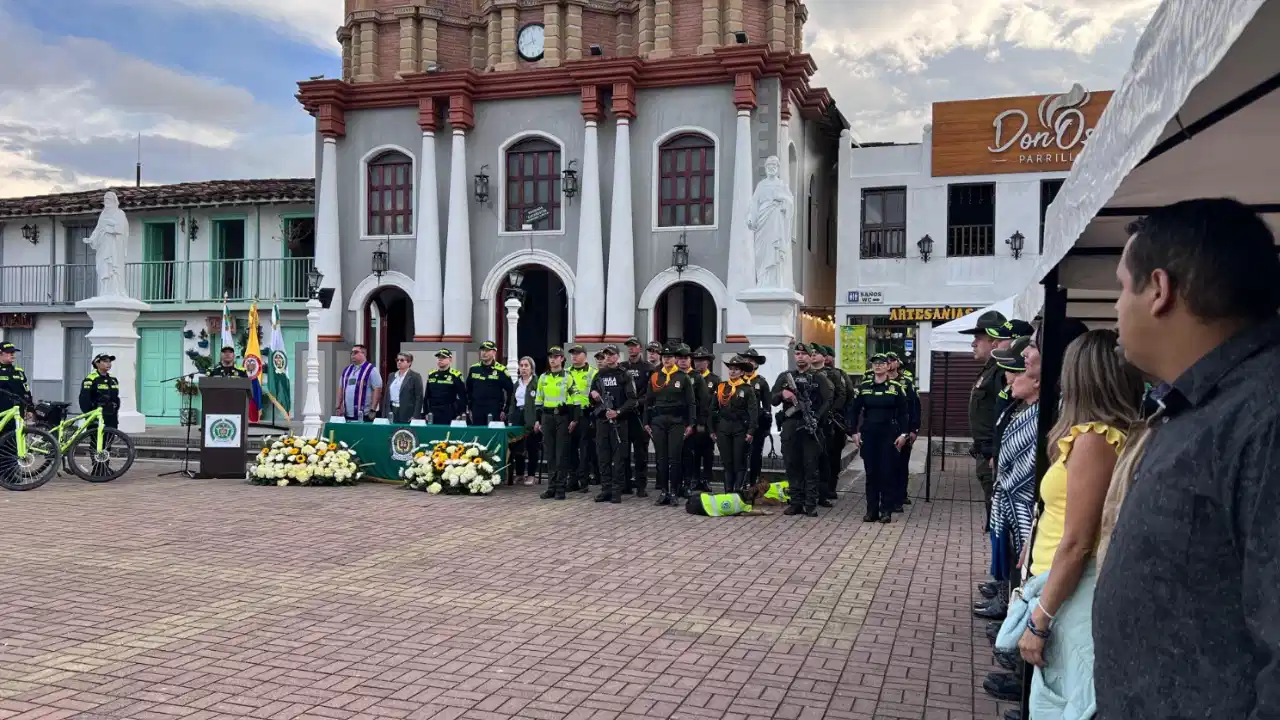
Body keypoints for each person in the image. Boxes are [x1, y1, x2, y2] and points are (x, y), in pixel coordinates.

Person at [1094, 198, 1280, 719]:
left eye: (1120, 287)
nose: (1116, 307)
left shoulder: (1263, 416)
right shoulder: (1200, 405)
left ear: (1160, 290)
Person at [1009, 330, 1142, 718]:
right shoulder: (1103, 436)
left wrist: (1040, 619)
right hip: (1062, 586)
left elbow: (1078, 543)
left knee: (1063, 702)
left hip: (1069, 593)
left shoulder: (1095, 440)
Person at [958, 311, 1011, 523]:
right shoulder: (990, 369)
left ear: (994, 341)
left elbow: (1006, 415)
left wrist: (994, 452)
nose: (973, 343)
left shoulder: (1002, 371)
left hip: (994, 455)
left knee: (998, 518)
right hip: (986, 452)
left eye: (978, 338)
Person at [771, 343, 833, 517]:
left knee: (810, 465)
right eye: (797, 354)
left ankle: (810, 503)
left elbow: (828, 400)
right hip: (790, 425)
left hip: (810, 426)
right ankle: (796, 502)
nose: (800, 357)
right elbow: (772, 399)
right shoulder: (785, 377)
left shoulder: (819, 378)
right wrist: (783, 394)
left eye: (803, 354)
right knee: (792, 464)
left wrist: (816, 418)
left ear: (810, 357)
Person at [848, 354, 909, 523]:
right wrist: (854, 432)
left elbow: (904, 413)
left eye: (882, 363)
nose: (878, 366)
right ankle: (871, 511)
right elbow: (854, 411)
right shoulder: (865, 387)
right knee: (871, 473)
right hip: (869, 434)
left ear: (888, 366)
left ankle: (886, 510)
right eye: (875, 363)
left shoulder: (896, 387)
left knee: (887, 473)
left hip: (889, 434)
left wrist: (904, 434)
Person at [645, 343, 695, 506]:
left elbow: (691, 403)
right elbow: (648, 401)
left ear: (675, 359)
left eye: (670, 357)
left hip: (676, 421)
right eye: (664, 357)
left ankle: (674, 491)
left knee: (675, 458)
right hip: (658, 421)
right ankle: (664, 491)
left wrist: (691, 424)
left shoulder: (682, 377)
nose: (667, 360)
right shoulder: (655, 376)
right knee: (661, 458)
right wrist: (646, 422)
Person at [588, 345, 638, 503]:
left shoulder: (624, 374)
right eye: (606, 355)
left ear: (617, 356)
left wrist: (618, 412)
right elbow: (591, 398)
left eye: (611, 354)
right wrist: (593, 395)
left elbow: (633, 400)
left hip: (619, 422)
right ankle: (606, 489)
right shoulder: (599, 375)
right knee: (603, 457)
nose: (608, 357)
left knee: (619, 458)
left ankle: (617, 490)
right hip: (602, 421)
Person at [710, 356, 759, 494]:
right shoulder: (721, 387)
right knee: (727, 462)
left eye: (736, 369)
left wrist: (751, 431)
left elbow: (753, 411)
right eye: (731, 369)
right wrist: (712, 429)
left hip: (740, 428)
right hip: (723, 428)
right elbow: (713, 409)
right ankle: (728, 491)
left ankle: (738, 491)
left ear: (742, 372)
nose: (732, 372)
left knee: (739, 461)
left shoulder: (747, 389)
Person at [535, 346, 575, 500]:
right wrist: (538, 420)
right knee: (550, 454)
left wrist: (573, 417)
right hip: (547, 417)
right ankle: (551, 487)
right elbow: (538, 399)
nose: (553, 359)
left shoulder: (567, 376)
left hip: (562, 417)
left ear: (562, 359)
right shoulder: (543, 377)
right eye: (551, 357)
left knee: (561, 454)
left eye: (556, 356)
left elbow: (576, 398)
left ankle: (560, 488)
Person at [810, 345, 847, 507]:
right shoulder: (805, 374)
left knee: (830, 457)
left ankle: (828, 489)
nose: (812, 356)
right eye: (811, 353)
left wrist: (832, 412)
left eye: (816, 353)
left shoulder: (835, 374)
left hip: (830, 422)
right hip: (811, 421)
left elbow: (844, 395)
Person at [618, 337, 654, 497]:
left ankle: (641, 486)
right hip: (624, 416)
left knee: (641, 454)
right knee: (623, 453)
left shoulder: (649, 368)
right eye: (629, 346)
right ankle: (626, 484)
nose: (631, 349)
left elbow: (652, 392)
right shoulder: (622, 367)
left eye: (634, 346)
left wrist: (638, 402)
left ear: (640, 348)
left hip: (640, 415)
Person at [883, 351, 919, 513]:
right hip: (884, 429)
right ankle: (887, 497)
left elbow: (915, 407)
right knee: (885, 465)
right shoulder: (879, 381)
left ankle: (899, 497)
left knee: (901, 465)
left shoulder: (906, 382)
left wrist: (914, 429)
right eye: (886, 361)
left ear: (898, 363)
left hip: (902, 429)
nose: (889, 363)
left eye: (892, 360)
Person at [685, 347, 719, 492]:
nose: (698, 363)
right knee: (693, 451)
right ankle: (694, 478)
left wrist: (707, 423)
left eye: (702, 360)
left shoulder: (715, 380)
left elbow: (714, 403)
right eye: (696, 360)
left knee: (708, 452)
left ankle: (706, 479)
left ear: (708, 362)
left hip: (708, 421)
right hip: (692, 419)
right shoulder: (689, 377)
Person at [565, 344, 597, 493]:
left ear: (585, 355)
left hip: (585, 414)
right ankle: (572, 480)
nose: (574, 356)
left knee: (585, 450)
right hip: (569, 413)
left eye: (577, 353)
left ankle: (584, 481)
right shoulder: (565, 372)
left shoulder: (593, 372)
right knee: (570, 448)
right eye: (572, 353)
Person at [507, 356, 540, 485]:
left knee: (532, 446)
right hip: (518, 415)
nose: (523, 368)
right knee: (517, 445)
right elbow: (512, 403)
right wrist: (511, 417)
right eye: (521, 366)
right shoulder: (517, 383)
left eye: (526, 366)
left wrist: (538, 420)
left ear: (532, 368)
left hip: (531, 416)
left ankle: (531, 475)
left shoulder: (537, 382)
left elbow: (540, 403)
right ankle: (520, 473)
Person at [742, 348, 772, 485]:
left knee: (755, 454)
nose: (748, 362)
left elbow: (767, 407)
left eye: (751, 360)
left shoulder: (761, 382)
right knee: (740, 454)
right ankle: (740, 483)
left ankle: (753, 482)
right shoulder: (737, 380)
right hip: (739, 423)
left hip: (757, 424)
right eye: (746, 360)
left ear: (756, 364)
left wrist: (766, 428)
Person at [466, 340, 513, 425]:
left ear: (494, 352)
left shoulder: (501, 370)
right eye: (482, 350)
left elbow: (511, 391)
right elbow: (468, 389)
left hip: (494, 409)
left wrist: (505, 410)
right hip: (477, 409)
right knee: (477, 432)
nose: (484, 353)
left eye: (487, 350)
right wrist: (469, 408)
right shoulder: (474, 369)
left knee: (493, 432)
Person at [334, 345, 381, 422]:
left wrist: (373, 409)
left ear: (364, 354)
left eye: (355, 352)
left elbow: (377, 390)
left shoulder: (371, 370)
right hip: (347, 415)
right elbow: (341, 388)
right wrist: (338, 407)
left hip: (365, 415)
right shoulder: (346, 370)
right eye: (351, 353)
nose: (352, 355)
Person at [685, 481, 782, 517]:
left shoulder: (734, 494)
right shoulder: (742, 506)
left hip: (698, 499)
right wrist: (762, 512)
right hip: (704, 509)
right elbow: (745, 513)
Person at [78, 353, 121, 428]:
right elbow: (84, 398)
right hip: (96, 414)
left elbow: (115, 396)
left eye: (109, 361)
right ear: (97, 364)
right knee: (96, 435)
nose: (108, 363)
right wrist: (89, 414)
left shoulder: (113, 379)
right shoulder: (91, 379)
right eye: (105, 361)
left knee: (111, 435)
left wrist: (116, 409)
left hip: (111, 415)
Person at [424, 349, 466, 424]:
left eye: (443, 357)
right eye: (439, 357)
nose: (440, 360)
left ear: (450, 359)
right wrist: (426, 412)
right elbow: (427, 396)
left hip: (449, 411)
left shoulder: (456, 375)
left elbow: (462, 396)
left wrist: (461, 413)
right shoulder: (432, 374)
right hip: (434, 411)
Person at [383, 353, 424, 423]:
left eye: (402, 360)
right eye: (397, 360)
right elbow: (386, 395)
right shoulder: (391, 375)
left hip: (407, 412)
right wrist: (384, 413)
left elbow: (419, 398)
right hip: (392, 410)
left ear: (409, 363)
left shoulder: (415, 376)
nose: (399, 362)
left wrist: (415, 416)